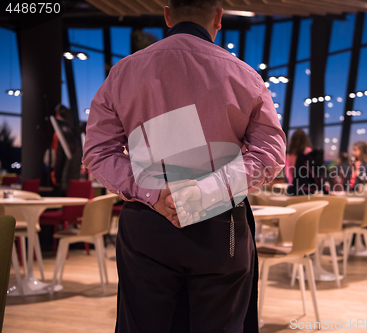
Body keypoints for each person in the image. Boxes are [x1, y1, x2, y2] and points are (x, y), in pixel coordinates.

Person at [82, 1, 286, 332]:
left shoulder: (124, 72)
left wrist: (153, 192)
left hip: (148, 223)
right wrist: (205, 193)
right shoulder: (245, 76)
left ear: (167, 15)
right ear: (218, 18)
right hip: (221, 227)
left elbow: (99, 151)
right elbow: (270, 154)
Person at [285, 129, 328, 195]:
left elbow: (288, 171)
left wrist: (292, 184)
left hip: (295, 186)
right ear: (305, 139)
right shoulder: (308, 151)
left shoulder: (289, 153)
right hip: (307, 187)